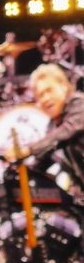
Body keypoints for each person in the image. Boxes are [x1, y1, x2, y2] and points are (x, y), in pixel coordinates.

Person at [6, 63, 84, 192]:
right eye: (40, 95)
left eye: (49, 90)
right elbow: (43, 160)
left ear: (63, 87)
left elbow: (65, 132)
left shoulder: (80, 105)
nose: (46, 98)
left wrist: (28, 150)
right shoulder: (53, 125)